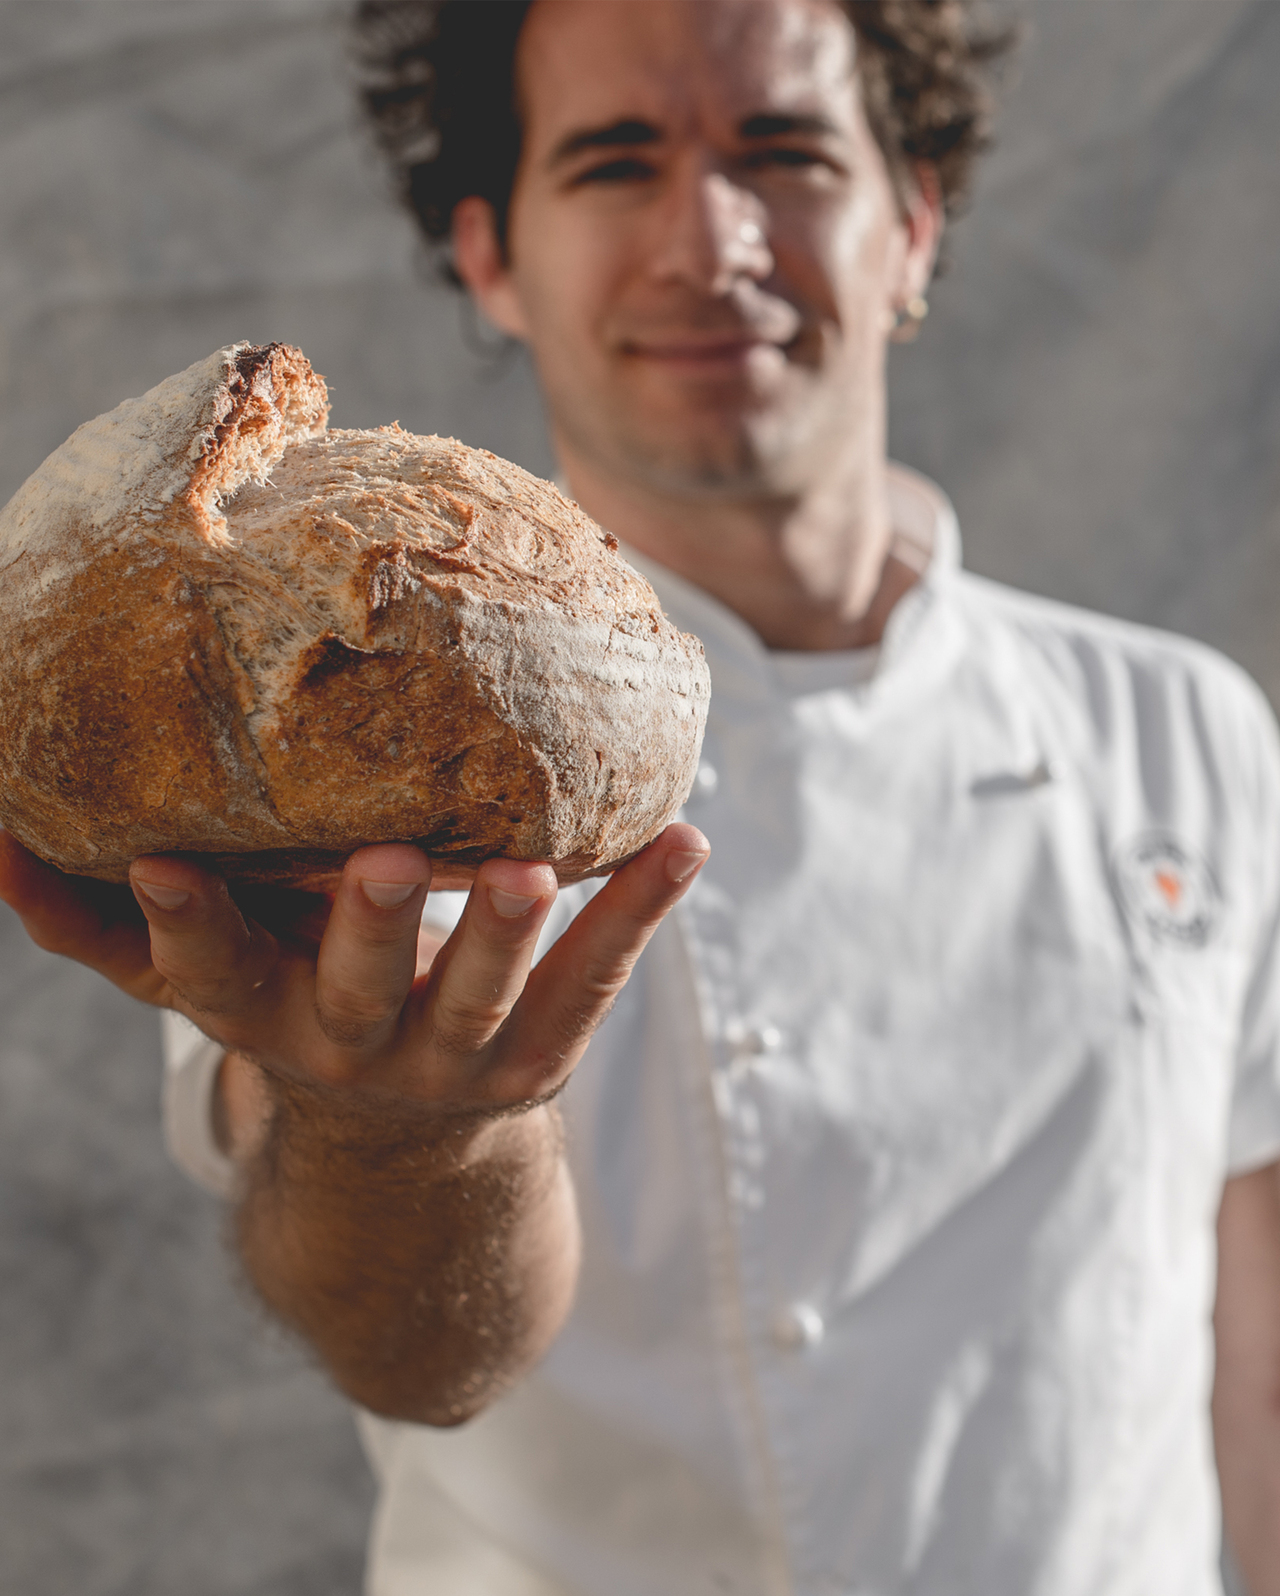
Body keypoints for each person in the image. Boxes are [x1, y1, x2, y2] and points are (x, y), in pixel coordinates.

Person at [4, 0, 1280, 1591]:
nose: (709, 240)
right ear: (491, 255)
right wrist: (401, 1134)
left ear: (911, 226)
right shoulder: (322, 743)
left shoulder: (1184, 732)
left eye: (785, 150)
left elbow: (1255, 1354)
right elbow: (415, 1358)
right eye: (616, 162)